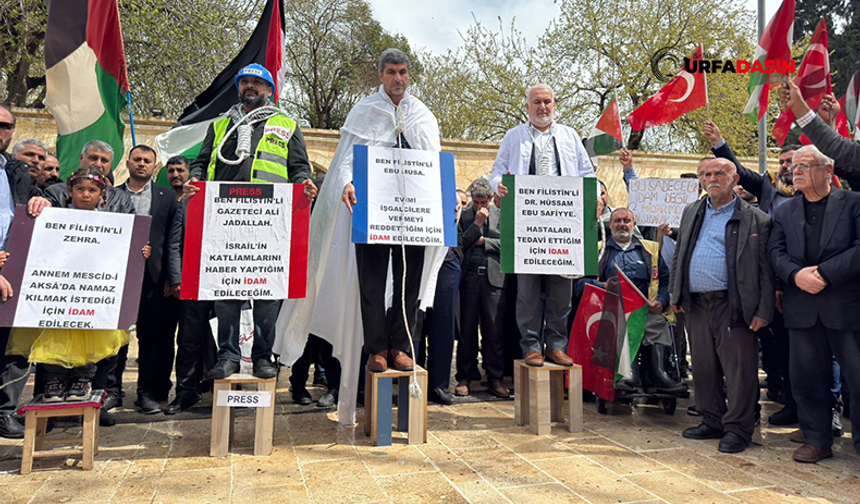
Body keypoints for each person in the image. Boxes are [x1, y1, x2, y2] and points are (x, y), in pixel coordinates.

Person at [273, 49, 449, 424]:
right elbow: (347, 160)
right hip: (372, 211)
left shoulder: (422, 115)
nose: (397, 78)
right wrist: (346, 183)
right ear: (380, 75)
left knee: (409, 279)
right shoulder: (364, 110)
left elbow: (434, 161)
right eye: (390, 72)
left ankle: (401, 347)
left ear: (409, 75)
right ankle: (376, 350)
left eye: (402, 72)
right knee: (370, 281)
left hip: (413, 214)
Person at [186, 63, 315, 380]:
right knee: (227, 291)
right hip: (227, 219)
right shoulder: (220, 126)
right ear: (238, 87)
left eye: (258, 83)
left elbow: (298, 167)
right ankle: (228, 355)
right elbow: (201, 164)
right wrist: (194, 180)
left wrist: (305, 184)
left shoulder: (286, 124)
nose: (251, 87)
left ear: (270, 90)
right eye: (246, 82)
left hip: (270, 221)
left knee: (267, 293)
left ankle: (263, 356)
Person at [4, 167, 148, 403]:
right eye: (80, 189)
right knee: (53, 336)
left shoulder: (113, 224)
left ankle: (83, 380)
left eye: (92, 190)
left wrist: (140, 250)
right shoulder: (52, 219)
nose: (85, 195)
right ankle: (54, 382)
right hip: (59, 294)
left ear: (103, 196)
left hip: (92, 294)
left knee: (90, 335)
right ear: (70, 192)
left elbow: (123, 254)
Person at [670, 158, 773, 454]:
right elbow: (680, 254)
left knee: (739, 369)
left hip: (735, 304)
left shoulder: (757, 218)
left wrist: (763, 310)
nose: (711, 178)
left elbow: (765, 269)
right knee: (703, 366)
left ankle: (739, 428)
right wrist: (676, 292)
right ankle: (711, 419)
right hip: (697, 304)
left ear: (734, 177)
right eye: (705, 174)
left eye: (718, 173)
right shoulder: (692, 210)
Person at [491, 83, 595, 367]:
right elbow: (497, 172)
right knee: (527, 291)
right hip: (527, 226)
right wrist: (497, 185)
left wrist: (597, 196)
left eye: (547, 101)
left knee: (561, 290)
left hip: (564, 226)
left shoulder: (570, 136)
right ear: (527, 107)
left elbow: (588, 175)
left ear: (554, 104)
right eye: (537, 102)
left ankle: (556, 344)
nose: (543, 107)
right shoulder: (514, 137)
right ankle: (531, 346)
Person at [768, 145, 860, 463]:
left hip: (847, 308)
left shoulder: (853, 204)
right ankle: (817, 438)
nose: (796, 171)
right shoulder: (783, 211)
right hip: (803, 308)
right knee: (807, 378)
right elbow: (775, 253)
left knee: (857, 378)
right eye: (794, 166)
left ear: (828, 170)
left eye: (805, 165)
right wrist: (795, 276)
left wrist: (823, 273)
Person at [577, 208, 685, 394]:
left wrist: (661, 301)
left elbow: (667, 281)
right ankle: (628, 374)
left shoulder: (651, 250)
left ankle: (657, 375)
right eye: (617, 221)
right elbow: (578, 284)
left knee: (658, 323)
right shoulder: (597, 250)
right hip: (610, 311)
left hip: (646, 310)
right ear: (609, 225)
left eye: (627, 220)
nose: (622, 224)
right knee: (623, 323)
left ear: (634, 225)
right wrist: (603, 286)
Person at [116, 145, 182, 414]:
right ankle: (110, 390)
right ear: (128, 163)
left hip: (154, 280)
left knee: (153, 337)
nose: (142, 164)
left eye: (147, 161)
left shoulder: (167, 198)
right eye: (137, 160)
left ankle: (148, 392)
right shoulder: (111, 195)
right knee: (115, 338)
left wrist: (171, 276)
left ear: (155, 167)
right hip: (116, 278)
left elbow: (172, 240)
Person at [0, 103, 51, 438]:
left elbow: (40, 203)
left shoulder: (16, 171)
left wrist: (43, 202)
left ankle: (4, 411)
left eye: (5, 125)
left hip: (14, 274)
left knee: (12, 350)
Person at [456, 178, 509, 398]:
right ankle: (465, 376)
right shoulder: (464, 216)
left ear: (490, 199)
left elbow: (509, 243)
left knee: (493, 330)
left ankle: (494, 377)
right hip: (469, 279)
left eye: (483, 201)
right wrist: (476, 225)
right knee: (467, 329)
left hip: (494, 279)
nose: (480, 206)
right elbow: (459, 243)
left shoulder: (499, 216)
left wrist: (484, 242)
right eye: (476, 201)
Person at [44, 140, 134, 213]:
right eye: (93, 158)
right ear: (81, 158)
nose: (98, 164)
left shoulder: (121, 198)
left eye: (104, 160)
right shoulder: (55, 193)